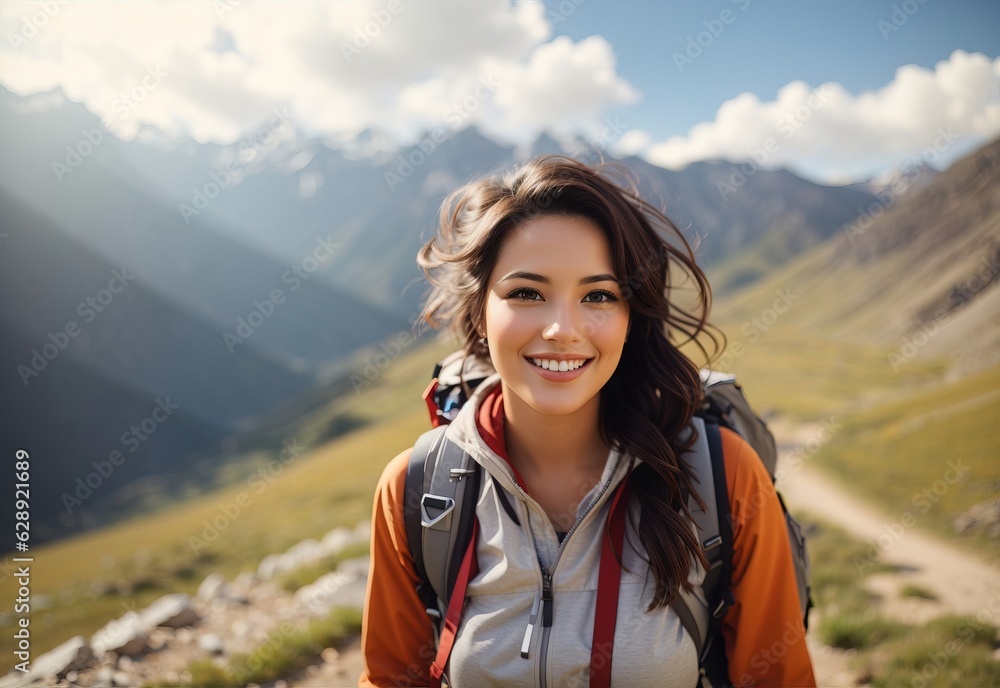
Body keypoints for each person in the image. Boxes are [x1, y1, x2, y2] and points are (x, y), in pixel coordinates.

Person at [359, 155, 816, 687]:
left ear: (630, 318)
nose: (562, 328)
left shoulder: (723, 476)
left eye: (598, 296)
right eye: (526, 293)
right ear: (480, 310)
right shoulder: (416, 489)